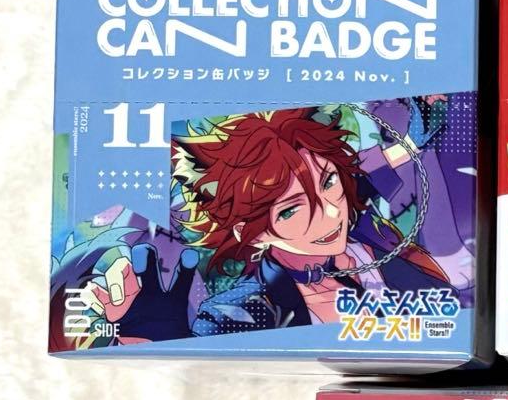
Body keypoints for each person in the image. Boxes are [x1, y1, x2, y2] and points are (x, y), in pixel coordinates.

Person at [79, 108, 450, 342]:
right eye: (290, 211)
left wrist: (413, 141)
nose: (331, 213)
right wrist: (144, 331)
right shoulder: (245, 309)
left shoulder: (359, 229)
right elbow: (205, 347)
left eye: (328, 182)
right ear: (251, 232)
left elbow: (360, 171)